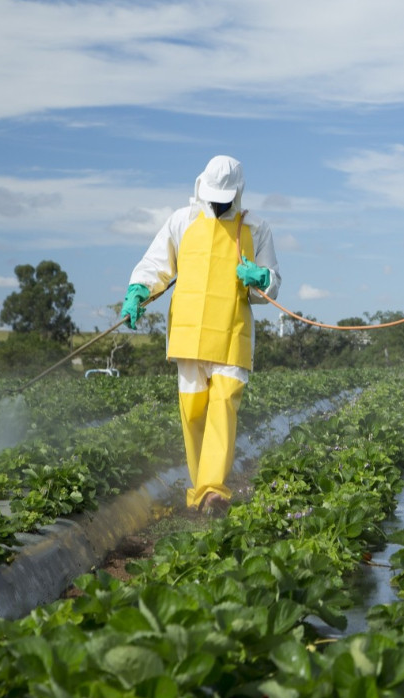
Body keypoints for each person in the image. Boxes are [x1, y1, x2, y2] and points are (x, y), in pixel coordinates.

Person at [120, 155, 280, 516]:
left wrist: (261, 278)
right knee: (193, 413)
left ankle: (213, 492)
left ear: (237, 193)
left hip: (231, 332)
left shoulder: (255, 228)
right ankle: (200, 494)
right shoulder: (183, 221)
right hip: (189, 333)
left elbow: (271, 286)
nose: (219, 201)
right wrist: (137, 293)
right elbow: (156, 264)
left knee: (223, 407)